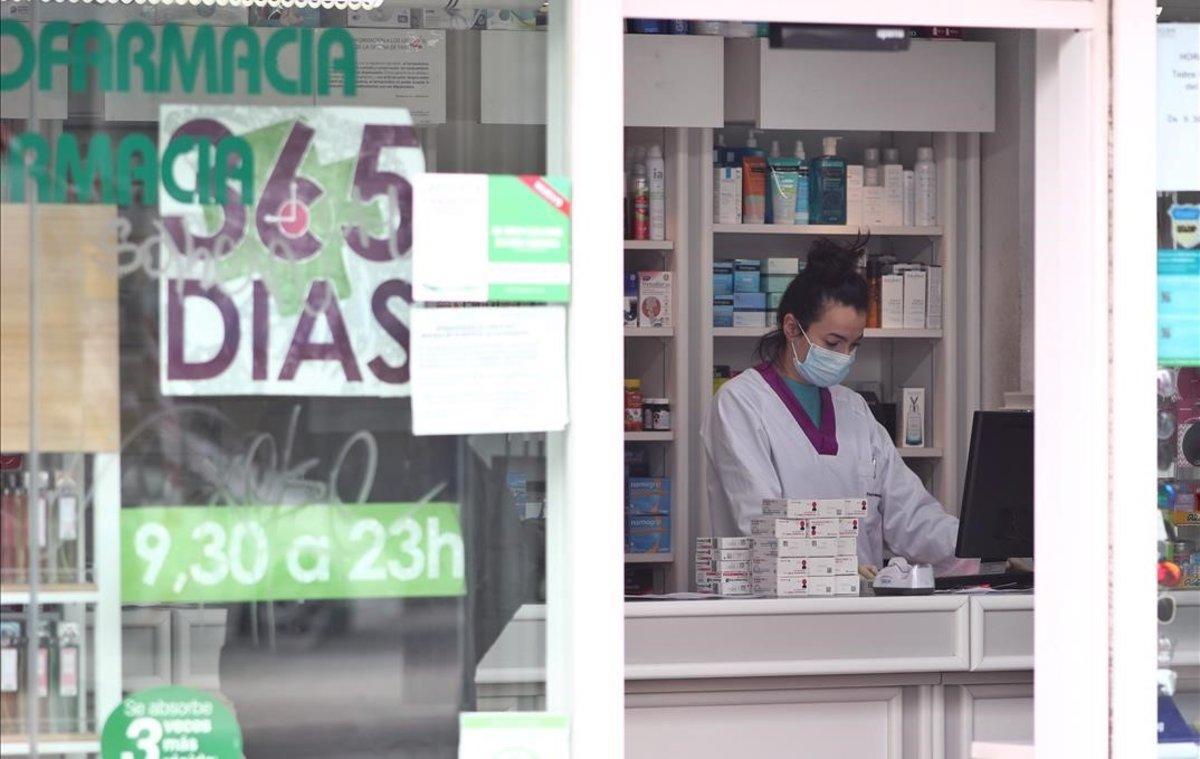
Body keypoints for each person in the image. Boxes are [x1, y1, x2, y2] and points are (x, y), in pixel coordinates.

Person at [702, 239, 970, 576]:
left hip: (857, 610)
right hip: (774, 612)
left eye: (853, 344)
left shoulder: (853, 408)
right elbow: (759, 522)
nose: (843, 356)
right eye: (832, 343)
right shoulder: (740, 403)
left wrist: (979, 546)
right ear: (791, 328)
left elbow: (911, 515)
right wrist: (834, 568)